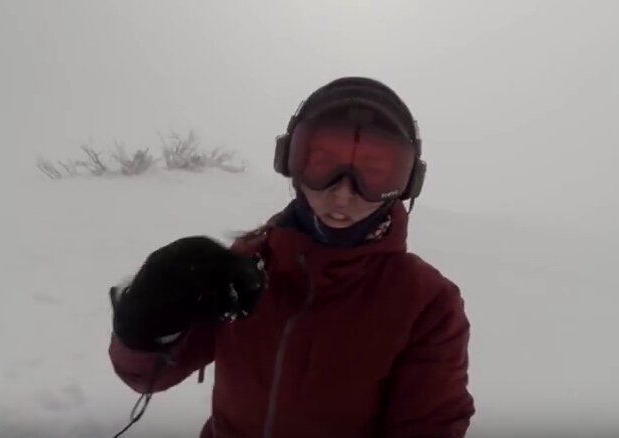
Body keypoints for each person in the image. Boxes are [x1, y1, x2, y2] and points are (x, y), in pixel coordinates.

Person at [107, 76, 475, 438]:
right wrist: (145, 316)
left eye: (374, 173)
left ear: (406, 183)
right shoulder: (246, 265)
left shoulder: (426, 304)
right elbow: (147, 375)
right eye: (322, 162)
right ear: (291, 161)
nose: (343, 195)